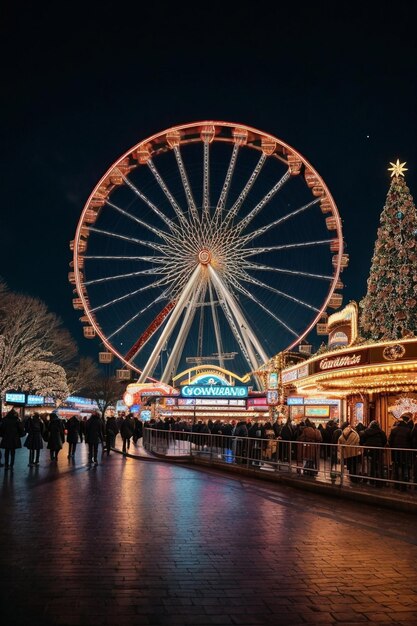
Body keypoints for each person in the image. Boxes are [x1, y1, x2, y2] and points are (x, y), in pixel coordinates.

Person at [388, 413, 413, 490]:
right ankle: (404, 485)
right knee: (404, 467)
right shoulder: (409, 430)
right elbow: (411, 441)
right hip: (405, 453)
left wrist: (393, 448)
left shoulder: (394, 430)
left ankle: (396, 484)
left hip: (396, 452)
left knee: (396, 466)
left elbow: (390, 441)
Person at [360, 420, 387, 486]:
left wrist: (364, 445)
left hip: (368, 450)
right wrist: (381, 446)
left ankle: (371, 479)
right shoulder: (381, 432)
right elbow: (384, 440)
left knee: (370, 465)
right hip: (378, 450)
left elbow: (362, 440)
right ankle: (378, 480)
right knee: (378, 465)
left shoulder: (366, 431)